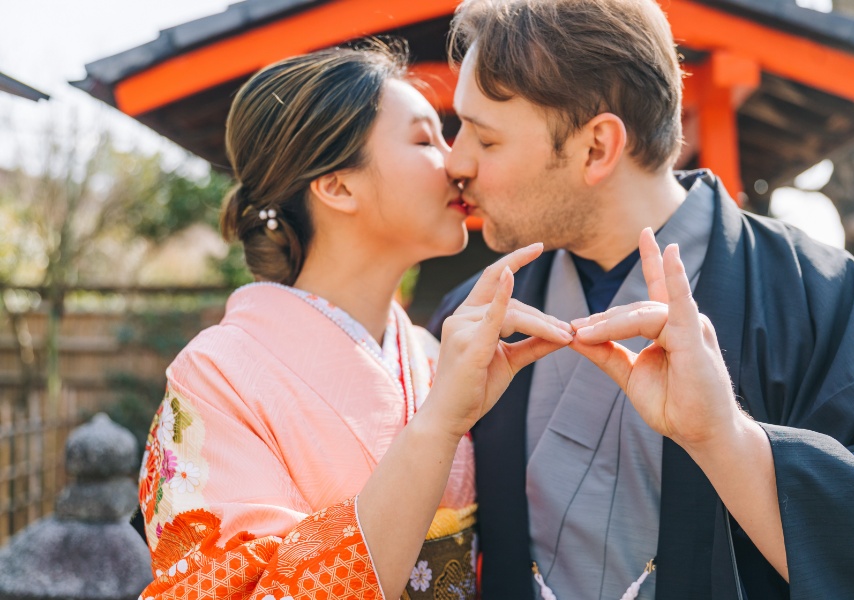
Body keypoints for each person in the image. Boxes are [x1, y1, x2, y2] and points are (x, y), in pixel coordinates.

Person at [429, 0, 854, 598]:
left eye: (485, 139)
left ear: (597, 147)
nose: (455, 160)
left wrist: (728, 440)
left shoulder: (820, 299)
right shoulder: (471, 317)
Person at [136, 43, 573, 600]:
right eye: (424, 139)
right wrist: (438, 424)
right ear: (338, 185)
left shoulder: (431, 355)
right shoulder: (216, 375)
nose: (460, 163)